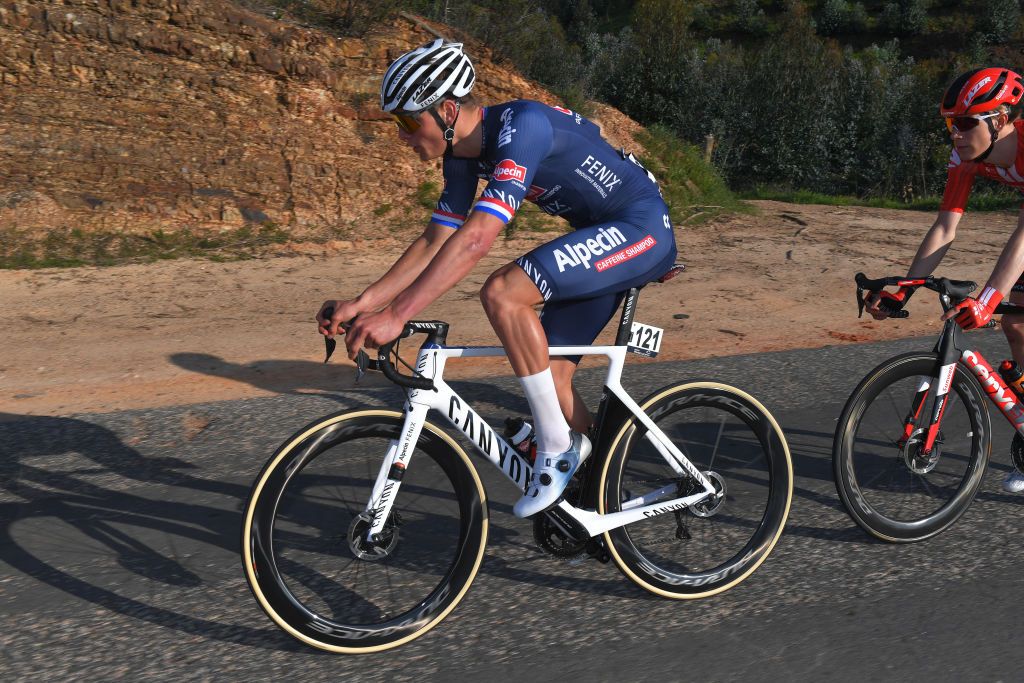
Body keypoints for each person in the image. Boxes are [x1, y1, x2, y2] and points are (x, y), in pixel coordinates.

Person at [316, 39, 677, 517]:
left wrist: (398, 315)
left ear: (446, 111)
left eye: (407, 121)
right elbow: (435, 240)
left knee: (504, 293)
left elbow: (476, 240)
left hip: (640, 228)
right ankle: (600, 489)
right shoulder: (462, 156)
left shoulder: (519, 126)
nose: (401, 135)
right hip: (602, 235)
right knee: (551, 380)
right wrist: (364, 304)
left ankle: (557, 450)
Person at [866, 67, 1024, 492]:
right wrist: (904, 290)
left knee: (1005, 312)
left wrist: (988, 297)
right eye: (951, 123)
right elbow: (944, 229)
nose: (955, 133)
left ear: (1002, 119)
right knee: (1018, 326)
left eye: (966, 123)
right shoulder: (965, 156)